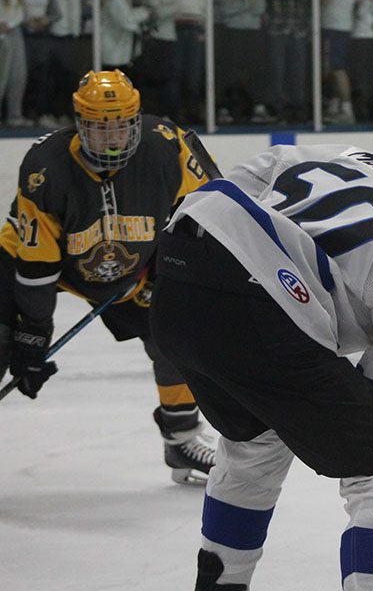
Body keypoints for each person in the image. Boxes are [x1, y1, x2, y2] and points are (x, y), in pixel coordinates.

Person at [147, 139, 373, 590]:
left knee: (256, 445)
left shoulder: (351, 155)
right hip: (261, 304)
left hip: (178, 271)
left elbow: (243, 186)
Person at [0, 69, 216, 485]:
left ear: (136, 121)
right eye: (100, 129)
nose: (112, 138)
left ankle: (181, 438)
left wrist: (172, 265)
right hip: (39, 265)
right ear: (80, 125)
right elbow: (37, 265)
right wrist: (34, 333)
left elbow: (211, 210)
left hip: (131, 269)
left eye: (121, 126)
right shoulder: (46, 168)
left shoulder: (168, 148)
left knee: (177, 329)